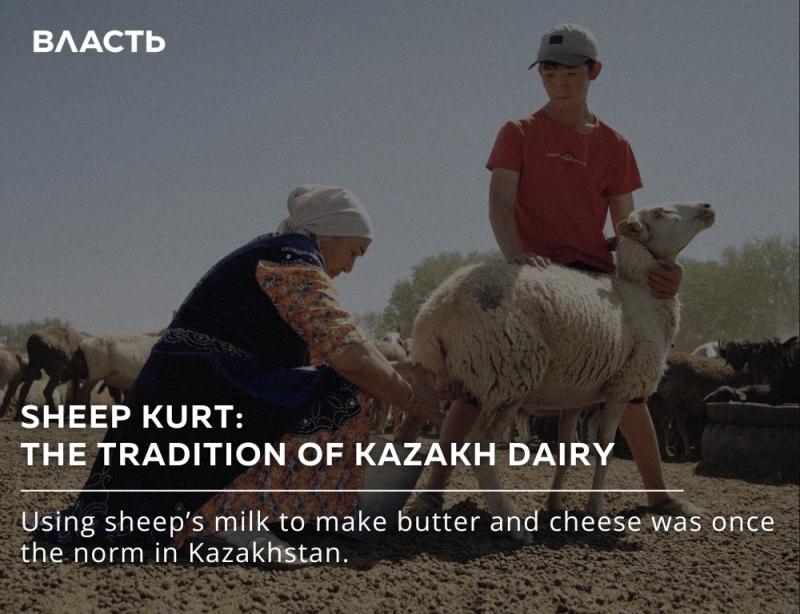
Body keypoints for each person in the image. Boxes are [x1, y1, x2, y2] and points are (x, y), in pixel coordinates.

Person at [34, 184, 442, 562]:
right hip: (205, 392)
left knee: (341, 383)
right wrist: (409, 397)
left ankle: (225, 513)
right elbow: (349, 357)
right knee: (344, 393)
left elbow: (326, 355)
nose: (351, 267)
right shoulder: (295, 258)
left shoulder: (278, 251)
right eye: (355, 251)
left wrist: (393, 371)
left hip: (190, 394)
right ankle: (225, 520)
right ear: (330, 232)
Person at [406, 23, 710, 519]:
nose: (559, 79)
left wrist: (667, 271)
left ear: (593, 71)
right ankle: (431, 494)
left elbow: (629, 228)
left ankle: (658, 496)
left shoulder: (615, 145)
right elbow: (500, 202)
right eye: (549, 70)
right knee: (484, 383)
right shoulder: (519, 132)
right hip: (531, 275)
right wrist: (514, 254)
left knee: (630, 388)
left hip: (592, 279)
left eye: (571, 70)